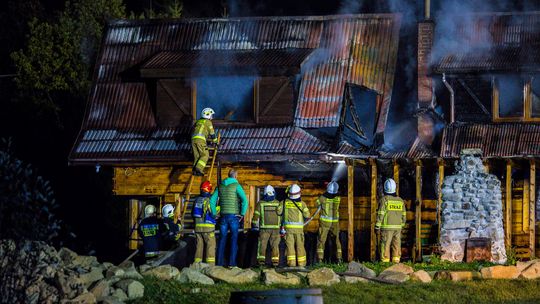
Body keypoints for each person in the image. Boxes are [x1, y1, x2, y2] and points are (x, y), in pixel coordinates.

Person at [210, 169, 248, 267]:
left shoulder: (220, 186)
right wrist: (242, 213)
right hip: (234, 217)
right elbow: (244, 200)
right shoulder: (237, 186)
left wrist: (214, 213)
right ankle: (232, 264)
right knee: (234, 240)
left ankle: (219, 264)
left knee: (222, 240)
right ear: (235, 176)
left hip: (223, 217)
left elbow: (212, 201)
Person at [277, 184, 310, 268]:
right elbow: (307, 216)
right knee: (300, 247)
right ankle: (302, 265)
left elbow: (278, 212)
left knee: (290, 247)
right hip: (299, 230)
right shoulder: (302, 204)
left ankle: (291, 265)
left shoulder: (283, 202)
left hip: (288, 230)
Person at [375, 178, 406, 263]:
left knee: (385, 246)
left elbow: (380, 214)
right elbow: (404, 215)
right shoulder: (400, 201)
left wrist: (377, 226)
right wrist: (402, 226)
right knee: (396, 246)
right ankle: (396, 263)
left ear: (385, 189)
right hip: (398, 229)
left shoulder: (384, 200)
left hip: (386, 228)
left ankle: (385, 263)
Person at [252, 185, 281, 267]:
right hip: (276, 229)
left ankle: (261, 263)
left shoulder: (260, 203)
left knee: (262, 245)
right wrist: (282, 227)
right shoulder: (278, 203)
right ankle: (275, 263)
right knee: (275, 245)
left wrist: (254, 225)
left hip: (264, 229)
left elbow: (256, 216)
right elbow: (281, 216)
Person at [316, 181, 342, 263]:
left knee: (321, 240)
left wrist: (324, 194)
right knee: (336, 240)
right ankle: (339, 258)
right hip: (335, 222)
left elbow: (316, 204)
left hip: (325, 223)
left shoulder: (323, 198)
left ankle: (320, 259)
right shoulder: (338, 198)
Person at [193, 181, 218, 265]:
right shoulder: (210, 200)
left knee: (198, 247)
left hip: (198, 228)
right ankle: (210, 267)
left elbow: (192, 214)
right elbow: (213, 214)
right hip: (208, 229)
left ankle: (196, 265)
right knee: (210, 247)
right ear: (209, 190)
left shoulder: (196, 200)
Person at [191, 107, 218, 176]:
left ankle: (195, 171)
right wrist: (216, 142)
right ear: (208, 115)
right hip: (200, 140)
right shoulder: (208, 122)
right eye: (211, 115)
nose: (212, 117)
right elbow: (212, 133)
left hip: (193, 140)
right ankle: (198, 168)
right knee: (205, 155)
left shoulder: (198, 121)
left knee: (197, 156)